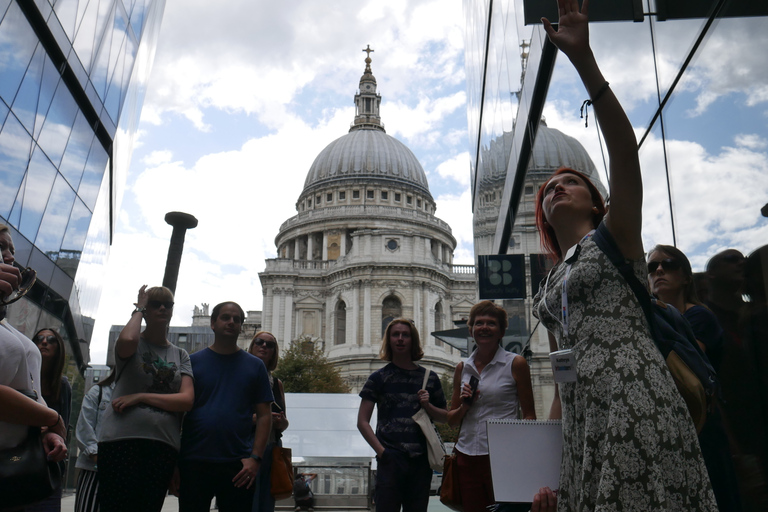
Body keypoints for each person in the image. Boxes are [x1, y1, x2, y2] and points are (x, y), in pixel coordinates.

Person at [530, 1, 717, 510]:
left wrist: (584, 61)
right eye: (549, 189)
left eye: (571, 182)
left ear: (597, 201)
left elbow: (623, 151)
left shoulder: (616, 239)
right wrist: (546, 473)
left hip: (635, 394)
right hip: (584, 421)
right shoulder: (550, 287)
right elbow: (559, 375)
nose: (557, 188)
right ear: (544, 219)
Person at [648, 245, 742, 511]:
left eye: (669, 264)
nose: (659, 270)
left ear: (687, 277)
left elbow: (685, 366)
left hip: (703, 428)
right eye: (651, 267)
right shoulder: (655, 320)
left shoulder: (698, 316)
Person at [97, 285, 194, 512]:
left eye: (167, 304)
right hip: (121, 441)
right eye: (155, 304)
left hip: (162, 444)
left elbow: (186, 400)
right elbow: (129, 339)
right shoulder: (133, 344)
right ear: (145, 309)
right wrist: (139, 309)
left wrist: (140, 397)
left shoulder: (180, 355)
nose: (162, 308)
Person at [177, 302, 274, 512]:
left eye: (236, 319)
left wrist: (255, 459)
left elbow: (265, 416)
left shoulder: (255, 366)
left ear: (241, 326)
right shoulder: (191, 362)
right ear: (212, 323)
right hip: (194, 460)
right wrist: (176, 463)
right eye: (225, 317)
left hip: (238, 465)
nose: (231, 322)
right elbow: (178, 413)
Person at [444, 300, 536, 512]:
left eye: (491, 323)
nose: (484, 327)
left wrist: (523, 453)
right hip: (466, 457)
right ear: (471, 330)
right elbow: (451, 420)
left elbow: (529, 416)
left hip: (502, 456)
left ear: (502, 331)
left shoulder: (516, 364)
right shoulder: (462, 367)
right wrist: (465, 407)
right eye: (479, 323)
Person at [0, 224, 67, 508]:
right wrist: (52, 419)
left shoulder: (8, 327)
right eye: (1, 247)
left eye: (12, 250)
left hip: (15, 471)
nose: (9, 257)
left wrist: (46, 431)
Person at [357, 318, 447, 512]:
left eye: (405, 335)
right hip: (390, 460)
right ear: (388, 340)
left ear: (413, 340)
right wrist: (382, 452)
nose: (400, 339)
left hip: (421, 462)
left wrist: (428, 405)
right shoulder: (378, 378)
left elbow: (445, 417)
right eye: (395, 335)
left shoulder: (429, 378)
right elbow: (362, 422)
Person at [26, 328, 73, 512]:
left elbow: (62, 429)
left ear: (59, 348)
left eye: (51, 339)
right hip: (15, 459)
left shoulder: (63, 385)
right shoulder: (21, 378)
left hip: (47, 466)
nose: (44, 342)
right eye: (39, 338)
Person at [248, 331, 289, 512]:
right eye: (259, 342)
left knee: (266, 501)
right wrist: (261, 419)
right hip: (247, 446)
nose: (264, 346)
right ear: (252, 346)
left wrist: (280, 422)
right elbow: (230, 417)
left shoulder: (276, 383)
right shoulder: (242, 375)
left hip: (271, 448)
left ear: (274, 352)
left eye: (270, 345)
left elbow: (285, 422)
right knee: (248, 499)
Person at [74, 370, 115, 512]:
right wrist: (98, 457)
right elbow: (84, 428)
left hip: (128, 472)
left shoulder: (142, 396)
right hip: (94, 469)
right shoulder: (99, 392)